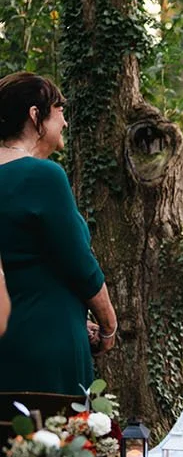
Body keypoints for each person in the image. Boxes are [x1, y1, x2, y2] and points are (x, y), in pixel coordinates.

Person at [0, 72, 117, 395]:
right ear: (35, 115)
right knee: (57, 440)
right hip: (45, 344)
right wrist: (108, 325)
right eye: (59, 110)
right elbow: (79, 263)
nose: (65, 122)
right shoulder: (43, 176)